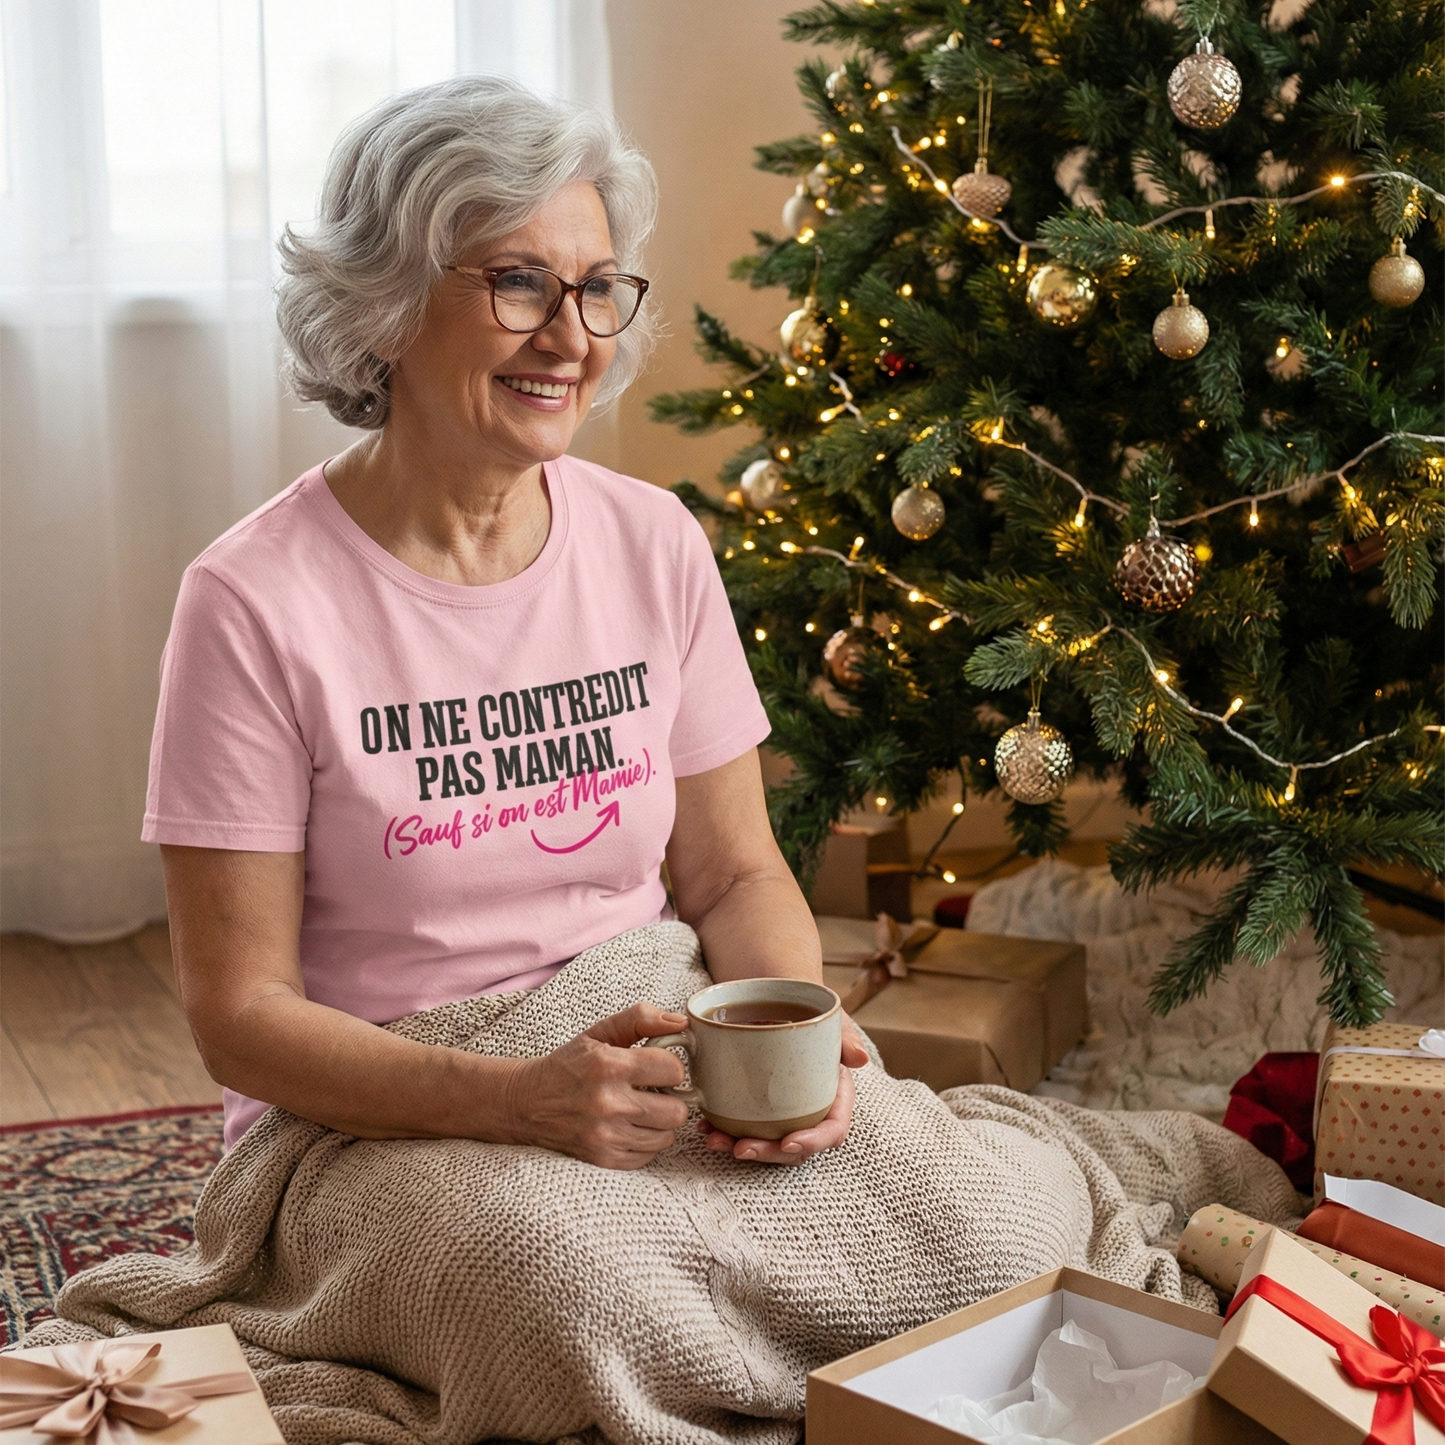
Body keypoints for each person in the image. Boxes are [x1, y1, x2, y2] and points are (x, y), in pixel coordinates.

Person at [145, 75, 867, 1172]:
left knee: (946, 1209)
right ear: (385, 303)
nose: (571, 337)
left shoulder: (654, 540)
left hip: (649, 1048)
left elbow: (733, 877)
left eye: (595, 288)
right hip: (387, 1106)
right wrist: (519, 1102)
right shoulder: (250, 600)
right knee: (576, 1268)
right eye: (519, 283)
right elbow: (239, 1016)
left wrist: (787, 1040)